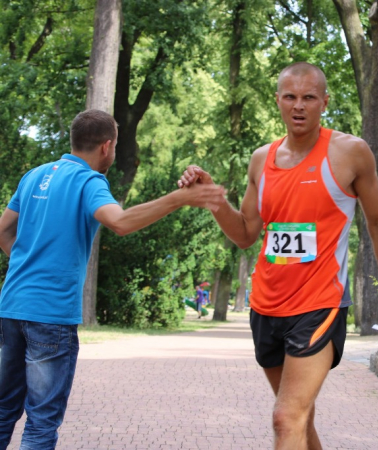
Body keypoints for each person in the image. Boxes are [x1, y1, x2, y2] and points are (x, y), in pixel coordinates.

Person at [178, 61, 378, 450]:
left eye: (308, 97)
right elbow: (247, 234)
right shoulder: (260, 159)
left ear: (324, 102)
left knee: (286, 418)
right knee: (300, 420)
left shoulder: (350, 152)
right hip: (266, 306)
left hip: (319, 305)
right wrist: (213, 199)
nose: (298, 106)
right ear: (278, 101)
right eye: (290, 97)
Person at [0, 109, 226, 450]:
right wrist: (179, 198)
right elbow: (119, 222)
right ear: (107, 146)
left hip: (11, 308)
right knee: (41, 422)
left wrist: (30, 263)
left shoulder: (34, 175)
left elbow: (3, 231)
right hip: (50, 314)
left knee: (2, 412)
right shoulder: (88, 181)